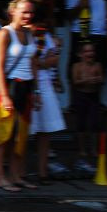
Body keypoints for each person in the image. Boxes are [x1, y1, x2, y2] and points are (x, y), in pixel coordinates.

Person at [0, 0, 37, 192]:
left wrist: (36, 91)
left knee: (21, 136)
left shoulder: (29, 33)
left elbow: (33, 62)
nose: (28, 15)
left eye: (30, 12)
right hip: (10, 87)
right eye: (24, 12)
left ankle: (16, 176)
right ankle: (0, 177)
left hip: (26, 87)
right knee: (3, 135)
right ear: (13, 12)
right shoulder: (4, 34)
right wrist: (5, 95)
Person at [30, 23, 66, 185]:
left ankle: (42, 172)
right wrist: (40, 62)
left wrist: (41, 63)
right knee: (21, 132)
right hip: (24, 81)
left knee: (45, 130)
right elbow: (32, 61)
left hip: (44, 83)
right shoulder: (15, 33)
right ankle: (19, 173)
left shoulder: (43, 35)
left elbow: (54, 58)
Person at [71, 42, 104, 176]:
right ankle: (82, 148)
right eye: (87, 52)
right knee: (81, 123)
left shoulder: (97, 66)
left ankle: (94, 149)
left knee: (94, 122)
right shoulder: (77, 66)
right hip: (81, 96)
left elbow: (102, 78)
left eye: (92, 51)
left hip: (93, 96)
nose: (90, 54)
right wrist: (86, 80)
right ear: (81, 54)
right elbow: (75, 81)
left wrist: (97, 80)